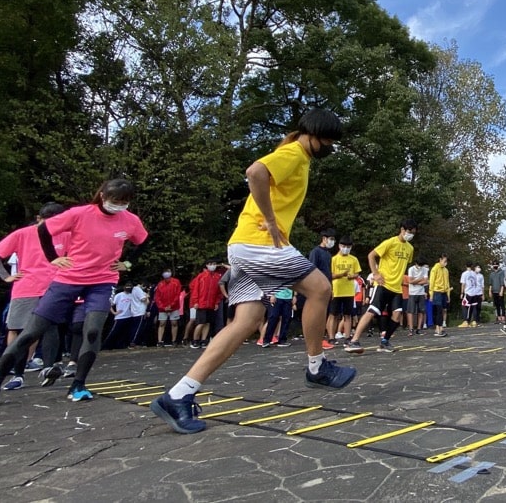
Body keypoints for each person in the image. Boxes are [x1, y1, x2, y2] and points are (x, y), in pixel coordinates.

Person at [150, 109, 355, 434]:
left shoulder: (294, 154)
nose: (329, 145)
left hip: (242, 246)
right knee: (320, 289)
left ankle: (178, 395)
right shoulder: (293, 153)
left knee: (245, 322)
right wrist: (271, 220)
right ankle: (317, 368)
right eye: (328, 138)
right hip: (261, 244)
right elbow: (255, 171)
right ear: (313, 133)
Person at [0, 178, 148, 408]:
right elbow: (44, 230)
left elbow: (142, 241)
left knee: (93, 331)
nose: (119, 205)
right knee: (31, 332)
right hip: (69, 279)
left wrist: (127, 263)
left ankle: (78, 384)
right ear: (103, 196)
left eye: (124, 202)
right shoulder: (80, 214)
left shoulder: (130, 220)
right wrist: (53, 258)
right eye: (116, 200)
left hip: (103, 280)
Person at [0, 203, 70, 389]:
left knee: (50, 327)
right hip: (26, 288)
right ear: (39, 219)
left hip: (53, 288)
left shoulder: (66, 235)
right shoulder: (22, 234)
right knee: (21, 330)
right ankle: (17, 374)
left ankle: (49, 367)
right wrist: (6, 276)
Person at [343, 219, 417, 354]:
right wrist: (376, 274)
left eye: (413, 233)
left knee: (397, 314)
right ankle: (354, 341)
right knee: (372, 311)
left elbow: (403, 265)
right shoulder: (390, 242)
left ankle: (385, 341)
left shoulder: (410, 248)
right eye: (409, 232)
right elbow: (371, 255)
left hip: (396, 287)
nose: (410, 235)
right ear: (402, 230)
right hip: (383, 284)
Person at [327, 236, 361, 345]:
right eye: (344, 246)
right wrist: (342, 274)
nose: (346, 248)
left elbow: (357, 273)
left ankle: (347, 337)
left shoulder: (353, 259)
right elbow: (330, 275)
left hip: (349, 291)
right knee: (333, 314)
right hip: (336, 291)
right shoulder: (334, 259)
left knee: (348, 315)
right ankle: (332, 337)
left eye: (348, 247)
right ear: (339, 246)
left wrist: (353, 276)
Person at [189, 261, 224, 348]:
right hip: (201, 303)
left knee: (208, 323)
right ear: (207, 265)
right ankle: (195, 340)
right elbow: (195, 289)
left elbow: (218, 292)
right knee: (200, 323)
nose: (213, 266)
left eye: (214, 264)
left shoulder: (217, 277)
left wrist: (216, 302)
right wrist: (195, 301)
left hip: (211, 303)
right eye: (210, 264)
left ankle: (204, 340)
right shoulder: (201, 276)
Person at [154, 270, 183, 346]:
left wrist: (171, 305)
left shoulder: (176, 282)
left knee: (174, 323)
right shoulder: (160, 284)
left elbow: (177, 294)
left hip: (174, 307)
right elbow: (157, 297)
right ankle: (160, 341)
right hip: (163, 308)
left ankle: (174, 340)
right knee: (162, 323)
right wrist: (163, 307)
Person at [105, 284, 137, 350]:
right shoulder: (119, 295)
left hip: (129, 316)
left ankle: (121, 346)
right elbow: (110, 304)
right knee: (114, 332)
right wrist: (114, 312)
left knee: (125, 332)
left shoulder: (132, 295)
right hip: (120, 317)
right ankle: (106, 346)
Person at [428, 254, 450, 337]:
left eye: (446, 262)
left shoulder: (446, 270)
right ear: (440, 260)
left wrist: (448, 295)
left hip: (444, 292)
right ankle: (438, 328)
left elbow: (447, 283)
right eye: (444, 261)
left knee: (443, 309)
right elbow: (432, 282)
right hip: (437, 291)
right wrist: (431, 294)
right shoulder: (435, 269)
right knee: (438, 310)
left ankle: (439, 327)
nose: (445, 263)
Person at [405, 260, 428, 335]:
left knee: (421, 311)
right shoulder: (411, 269)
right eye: (419, 265)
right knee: (410, 311)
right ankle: (411, 329)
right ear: (416, 264)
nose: (420, 267)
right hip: (412, 292)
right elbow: (410, 281)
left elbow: (425, 281)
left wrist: (416, 281)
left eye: (421, 265)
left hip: (421, 292)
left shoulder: (425, 269)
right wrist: (420, 279)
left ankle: (419, 328)